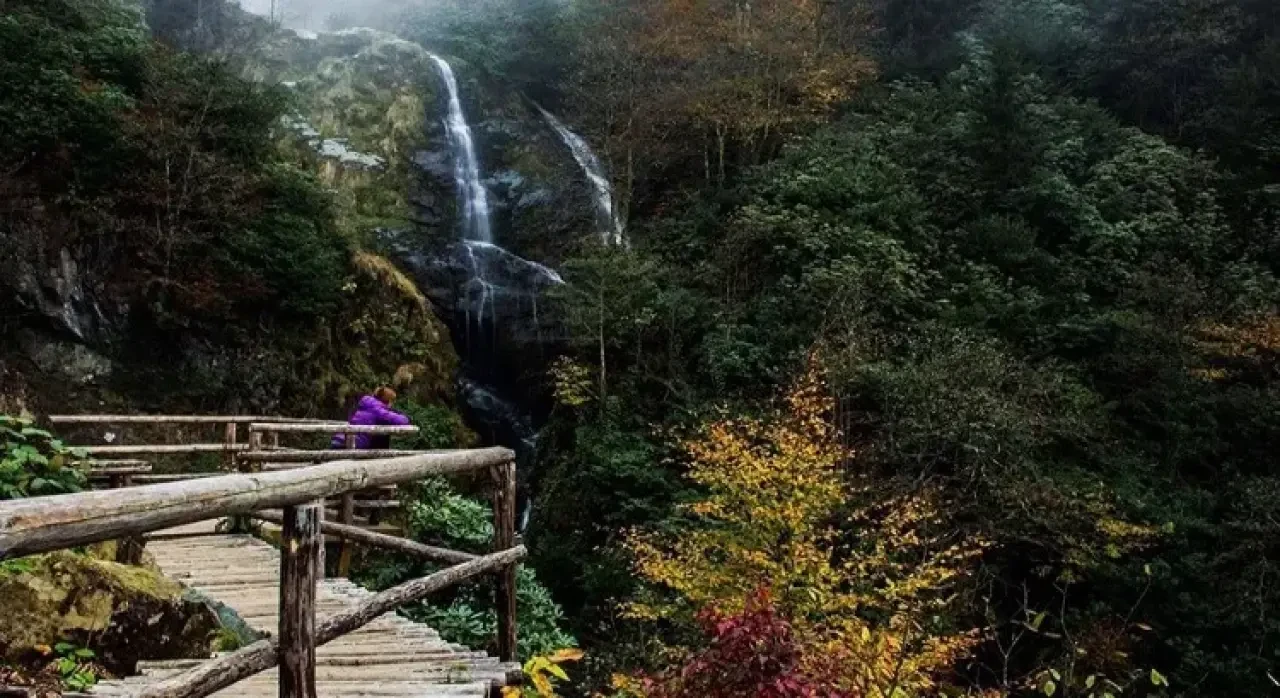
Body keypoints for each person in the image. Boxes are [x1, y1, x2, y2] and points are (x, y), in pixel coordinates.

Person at [331, 386, 410, 450]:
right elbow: (402, 421)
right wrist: (401, 414)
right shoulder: (378, 411)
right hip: (353, 445)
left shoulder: (365, 404)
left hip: (339, 440)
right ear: (388, 401)